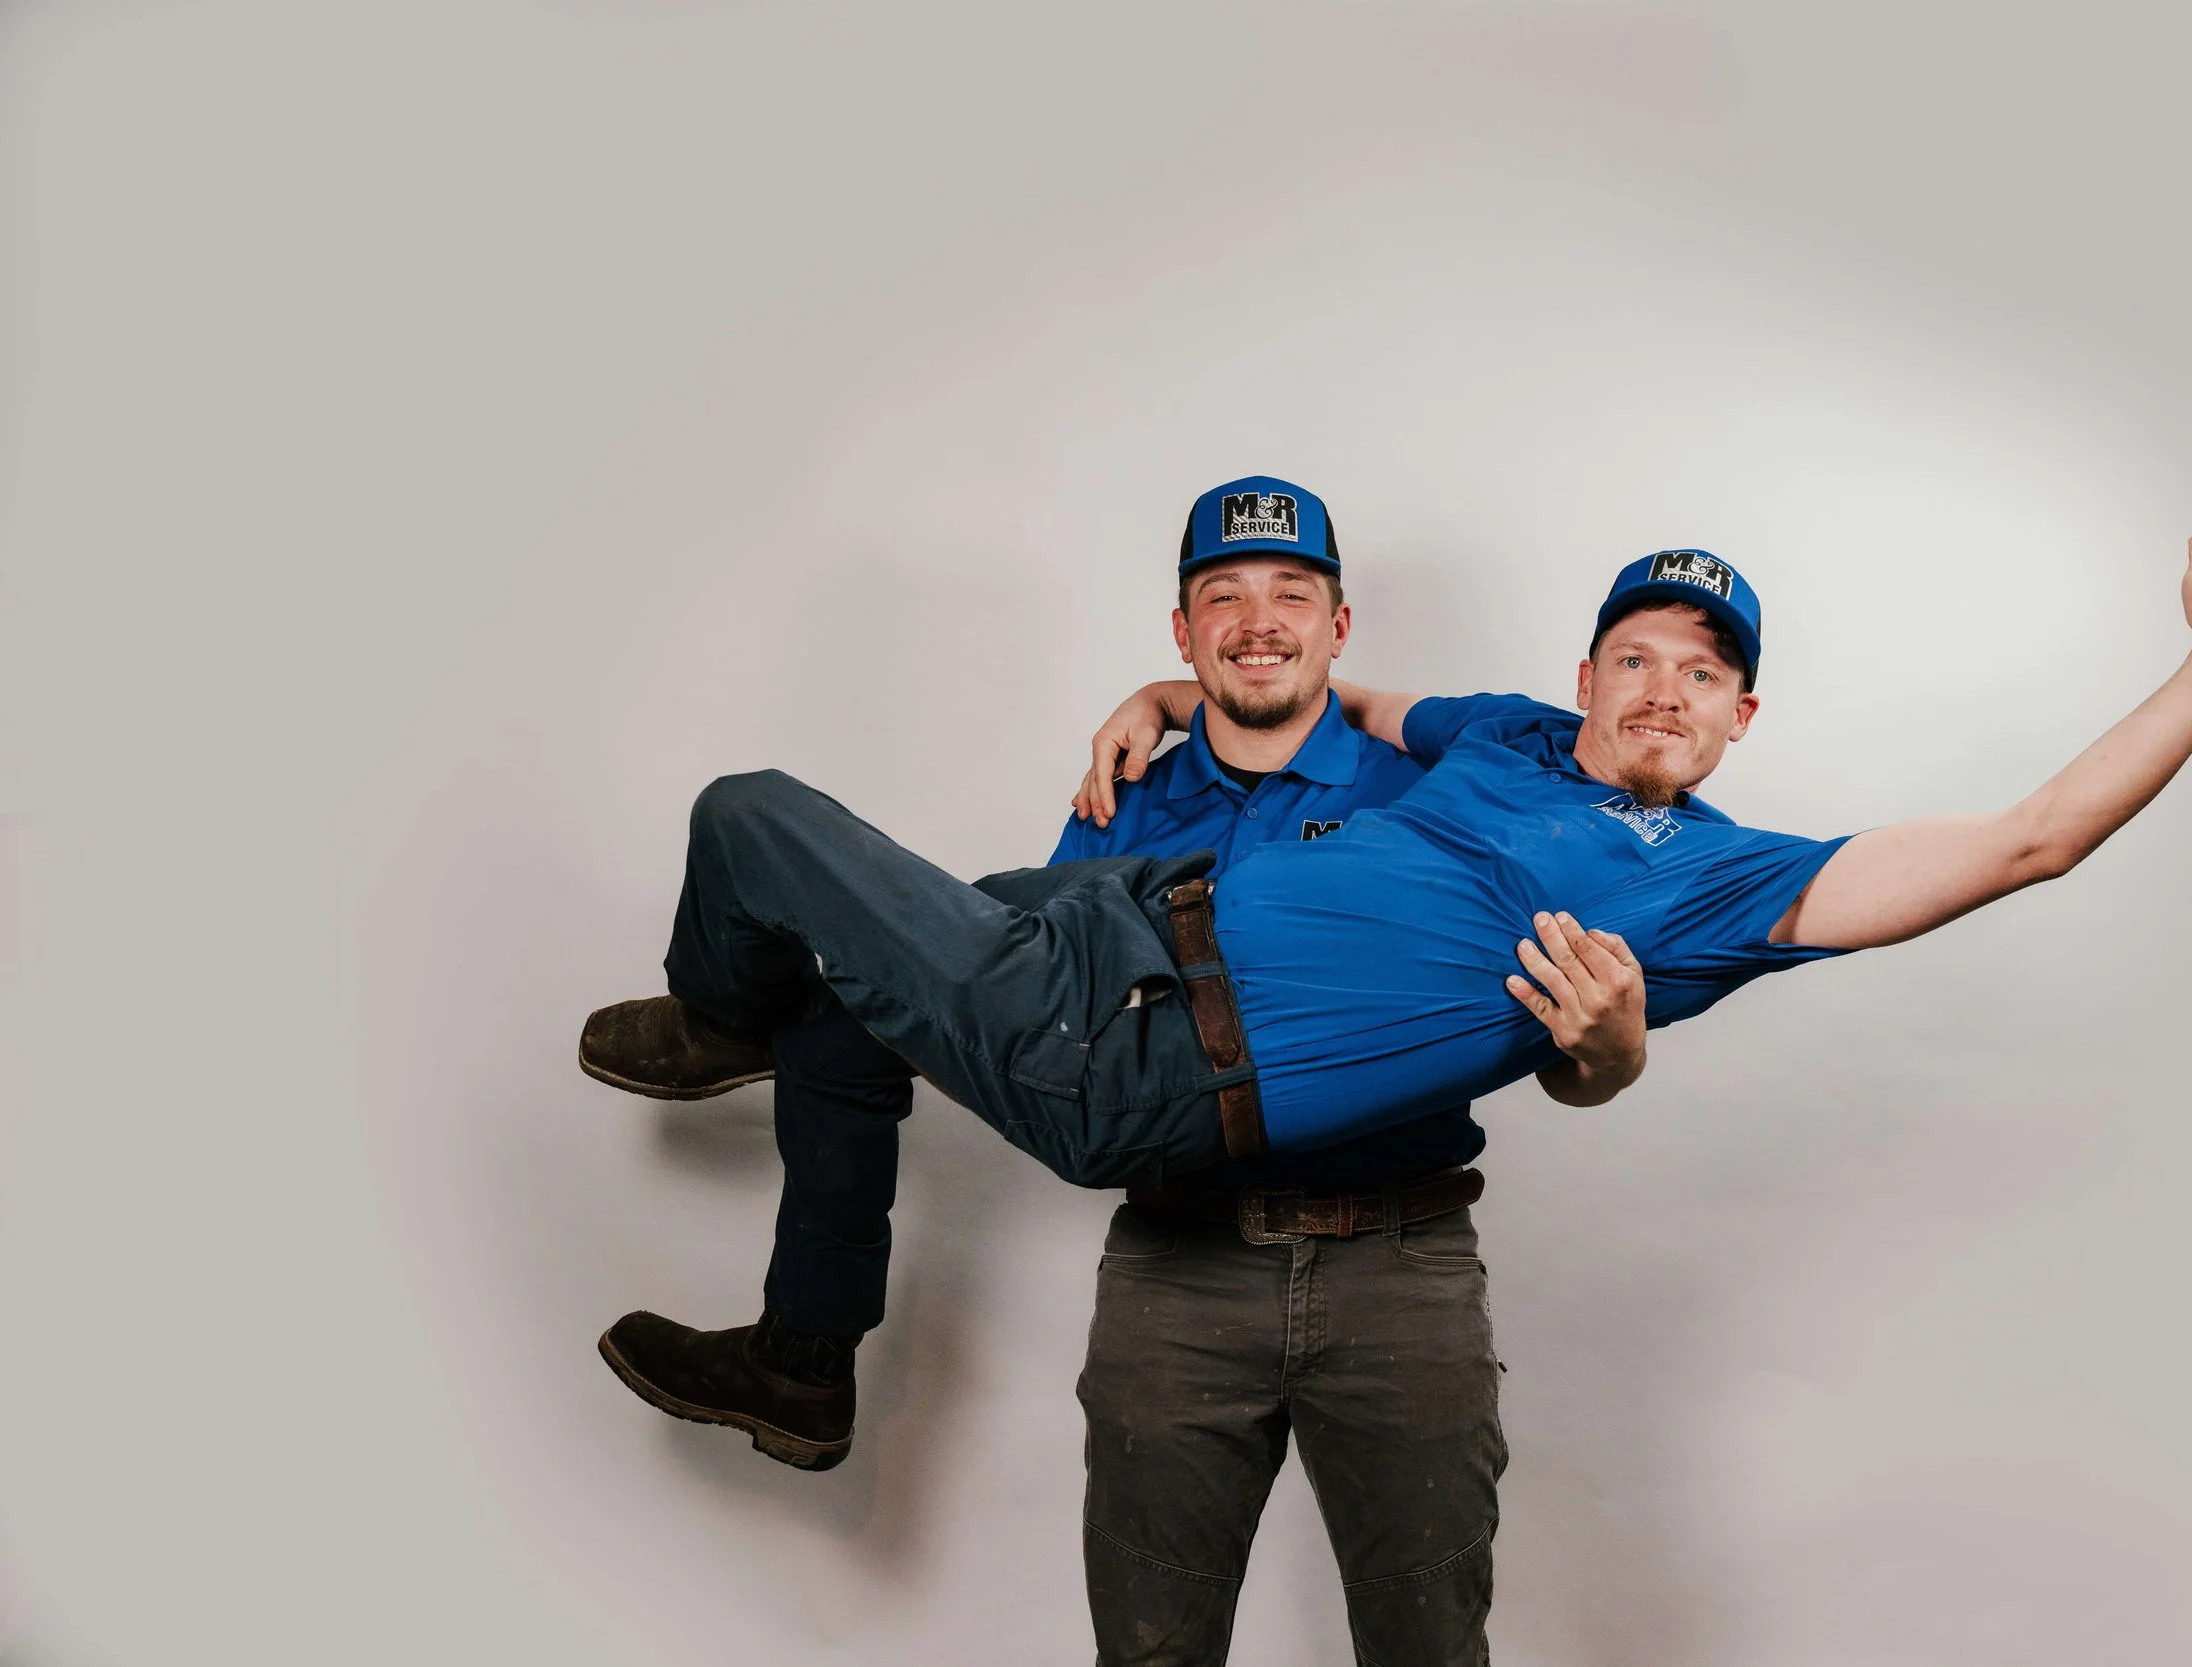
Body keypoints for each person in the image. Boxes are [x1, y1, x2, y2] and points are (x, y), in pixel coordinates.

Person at [582, 455, 2192, 1515]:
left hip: (1132, 1055)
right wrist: (1156, 685)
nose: (1666, 685)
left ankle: (718, 1018)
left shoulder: (1724, 883)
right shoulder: (1501, 731)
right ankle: (805, 1364)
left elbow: (2032, 837)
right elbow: (1320, 691)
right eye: (1639, 654)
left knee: (756, 823)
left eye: (1706, 672)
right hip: (1106, 916)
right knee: (841, 997)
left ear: (1744, 722)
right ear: (1585, 674)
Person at [584, 477, 1643, 1662]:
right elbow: (1048, 1017)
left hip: (1398, 1263)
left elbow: (1559, 1038)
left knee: (1430, 1649)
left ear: (1337, 627)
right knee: (1148, 1651)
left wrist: (1610, 1053)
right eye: (1221, 596)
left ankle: (724, 1028)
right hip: (1176, 1268)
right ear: (1183, 628)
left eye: (1292, 593)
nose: (1258, 620)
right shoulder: (1122, 796)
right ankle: (801, 1356)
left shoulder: (1434, 792)